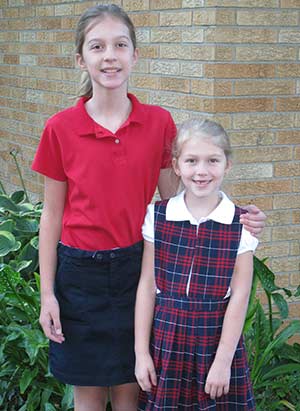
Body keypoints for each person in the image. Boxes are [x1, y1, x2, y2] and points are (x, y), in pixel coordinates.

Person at [32, 4, 265, 411]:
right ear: (80, 58)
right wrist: (47, 293)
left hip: (136, 271)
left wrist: (235, 218)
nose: (110, 55)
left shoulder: (158, 123)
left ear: (134, 55)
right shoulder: (60, 128)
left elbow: (179, 199)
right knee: (86, 394)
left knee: (131, 389)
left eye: (120, 45)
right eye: (97, 46)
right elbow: (51, 216)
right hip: (78, 275)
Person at [135, 118, 258, 410]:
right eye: (191, 161)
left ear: (227, 164)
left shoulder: (239, 224)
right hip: (167, 339)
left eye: (212, 160)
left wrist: (223, 361)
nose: (201, 171)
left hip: (214, 342)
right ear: (177, 166)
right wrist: (141, 352)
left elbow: (240, 296)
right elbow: (147, 286)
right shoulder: (159, 215)